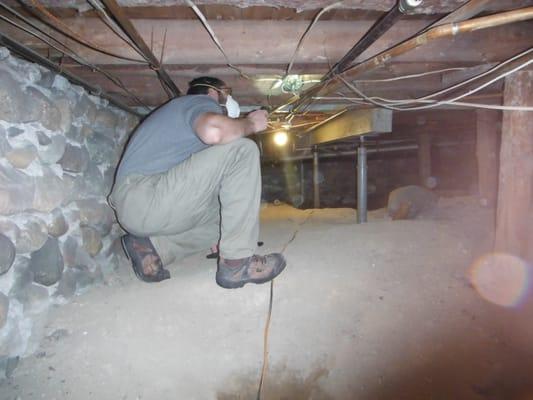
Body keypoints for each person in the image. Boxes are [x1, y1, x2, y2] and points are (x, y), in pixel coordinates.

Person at [109, 76, 286, 288]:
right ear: (214, 91)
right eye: (227, 93)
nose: (229, 99)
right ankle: (236, 264)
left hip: (142, 207)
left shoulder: (182, 126)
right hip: (145, 194)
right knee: (243, 150)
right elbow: (215, 131)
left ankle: (154, 249)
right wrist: (250, 123)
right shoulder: (197, 103)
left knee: (229, 220)